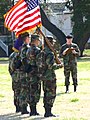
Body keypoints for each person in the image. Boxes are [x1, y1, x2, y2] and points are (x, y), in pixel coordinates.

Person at [36, 35, 61, 117]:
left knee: (46, 93)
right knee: (51, 94)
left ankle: (47, 111)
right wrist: (60, 65)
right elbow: (51, 66)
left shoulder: (42, 52)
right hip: (49, 76)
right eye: (52, 42)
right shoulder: (49, 54)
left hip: (43, 76)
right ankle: (48, 112)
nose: (53, 44)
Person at [26, 34, 41, 116]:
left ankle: (32, 110)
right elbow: (39, 62)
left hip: (29, 72)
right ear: (35, 40)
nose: (39, 42)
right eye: (38, 40)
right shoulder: (37, 50)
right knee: (35, 91)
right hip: (35, 72)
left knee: (30, 90)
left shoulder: (28, 49)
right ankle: (33, 110)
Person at [8, 36, 23, 113]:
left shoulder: (12, 55)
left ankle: (17, 107)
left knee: (16, 92)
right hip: (19, 75)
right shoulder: (18, 55)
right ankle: (21, 107)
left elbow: (10, 68)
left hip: (15, 76)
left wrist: (13, 74)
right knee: (21, 91)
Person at [19, 32, 30, 114]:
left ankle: (23, 107)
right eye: (28, 38)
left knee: (24, 90)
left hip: (23, 71)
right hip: (25, 71)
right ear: (26, 39)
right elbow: (25, 60)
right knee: (24, 90)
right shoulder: (25, 48)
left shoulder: (22, 47)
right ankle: (23, 108)